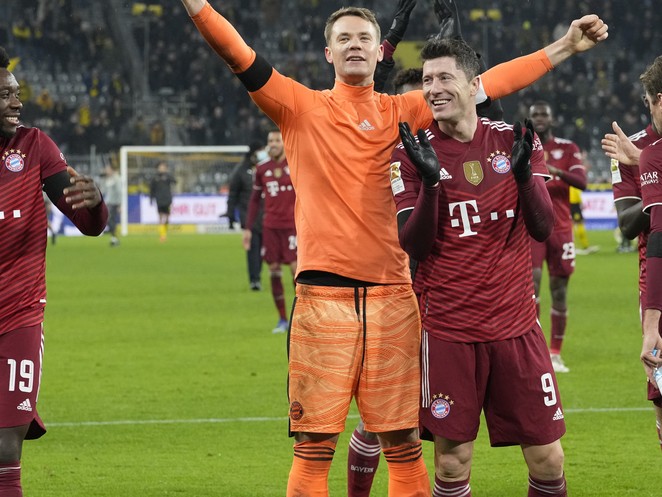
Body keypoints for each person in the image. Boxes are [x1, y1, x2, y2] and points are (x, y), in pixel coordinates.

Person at [180, 1, 607, 494]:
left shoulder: (405, 110)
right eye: (344, 38)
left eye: (364, 37)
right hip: (323, 299)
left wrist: (566, 46)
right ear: (327, 53)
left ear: (379, 50)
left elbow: (489, 82)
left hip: (394, 299)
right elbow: (238, 54)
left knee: (403, 444)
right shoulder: (297, 105)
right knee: (314, 447)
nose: (355, 45)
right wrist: (198, 6)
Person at [392, 36, 567, 496]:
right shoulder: (410, 151)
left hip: (516, 326)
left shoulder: (513, 140)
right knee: (452, 464)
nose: (433, 89)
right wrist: (431, 183)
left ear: (474, 86)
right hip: (448, 331)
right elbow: (414, 244)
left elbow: (543, 227)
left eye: (444, 77)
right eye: (427, 80)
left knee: (549, 459)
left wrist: (525, 177)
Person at [0, 46, 108, 495]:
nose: (17, 101)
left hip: (19, 316)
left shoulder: (34, 146)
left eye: (16, 92)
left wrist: (95, 203)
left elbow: (88, 223)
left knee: (6, 445)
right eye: (5, 95)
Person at [601, 55, 662, 451]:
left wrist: (649, 167)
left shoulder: (640, 154)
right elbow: (626, 223)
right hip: (655, 283)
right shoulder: (630, 146)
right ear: (651, 101)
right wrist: (652, 181)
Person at [528, 100, 587, 374]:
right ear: (529, 119)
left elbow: (582, 182)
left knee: (559, 290)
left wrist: (555, 171)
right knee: (532, 286)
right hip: (532, 229)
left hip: (561, 229)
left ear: (552, 119)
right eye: (535, 115)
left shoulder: (568, 148)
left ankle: (555, 353)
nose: (540, 118)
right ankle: (536, 351)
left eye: (544, 114)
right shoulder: (523, 147)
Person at [244, 130, 296, 333]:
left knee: (296, 271)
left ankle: (300, 318)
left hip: (292, 226)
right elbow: (254, 200)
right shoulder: (262, 169)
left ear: (284, 143)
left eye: (277, 140)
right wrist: (248, 229)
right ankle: (282, 319)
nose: (273, 144)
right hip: (270, 227)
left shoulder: (295, 164)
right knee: (273, 270)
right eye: (270, 141)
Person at [223, 142, 264, 291]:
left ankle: (258, 275)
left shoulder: (266, 168)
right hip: (248, 216)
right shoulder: (240, 171)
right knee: (253, 248)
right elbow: (233, 194)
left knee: (263, 250)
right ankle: (254, 279)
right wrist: (230, 214)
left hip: (266, 215)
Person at [149, 161, 176, 242]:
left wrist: (168, 175)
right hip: (159, 199)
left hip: (167, 199)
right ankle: (162, 235)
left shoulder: (167, 177)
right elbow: (151, 189)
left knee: (167, 217)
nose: (162, 169)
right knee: (160, 216)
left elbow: (175, 181)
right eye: (160, 167)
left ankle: (164, 231)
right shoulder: (155, 178)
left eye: (163, 167)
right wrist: (151, 199)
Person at [102, 164, 122, 247]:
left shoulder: (116, 178)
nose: (106, 171)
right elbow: (104, 190)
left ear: (111, 169)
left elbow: (119, 191)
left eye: (108, 169)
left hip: (114, 203)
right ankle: (114, 237)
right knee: (110, 220)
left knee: (110, 219)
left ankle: (114, 238)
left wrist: (119, 204)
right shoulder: (108, 179)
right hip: (108, 203)